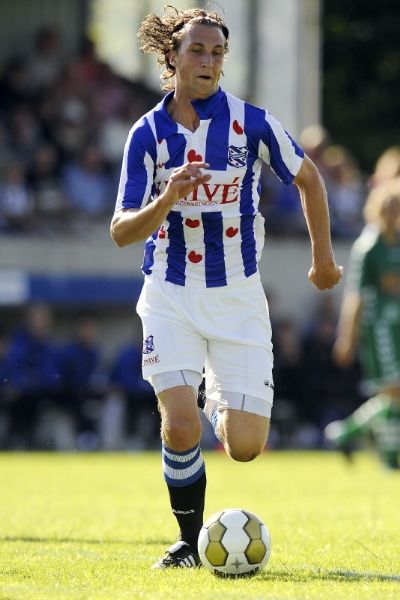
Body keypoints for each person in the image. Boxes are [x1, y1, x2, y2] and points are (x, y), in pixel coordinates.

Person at [110, 5, 342, 569]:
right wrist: (167, 197)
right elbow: (121, 231)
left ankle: (216, 398)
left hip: (238, 297)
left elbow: (309, 177)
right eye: (197, 50)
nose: (209, 61)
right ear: (173, 57)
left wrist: (323, 260)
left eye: (217, 52)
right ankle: (189, 543)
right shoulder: (147, 134)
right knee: (178, 424)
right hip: (169, 291)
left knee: (245, 446)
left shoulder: (251, 123)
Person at [328, 177, 400, 469]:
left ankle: (346, 433)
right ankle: (390, 458)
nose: (394, 214)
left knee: (394, 394)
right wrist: (347, 336)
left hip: (398, 325)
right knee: (393, 390)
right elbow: (355, 295)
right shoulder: (369, 246)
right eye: (389, 208)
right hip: (380, 327)